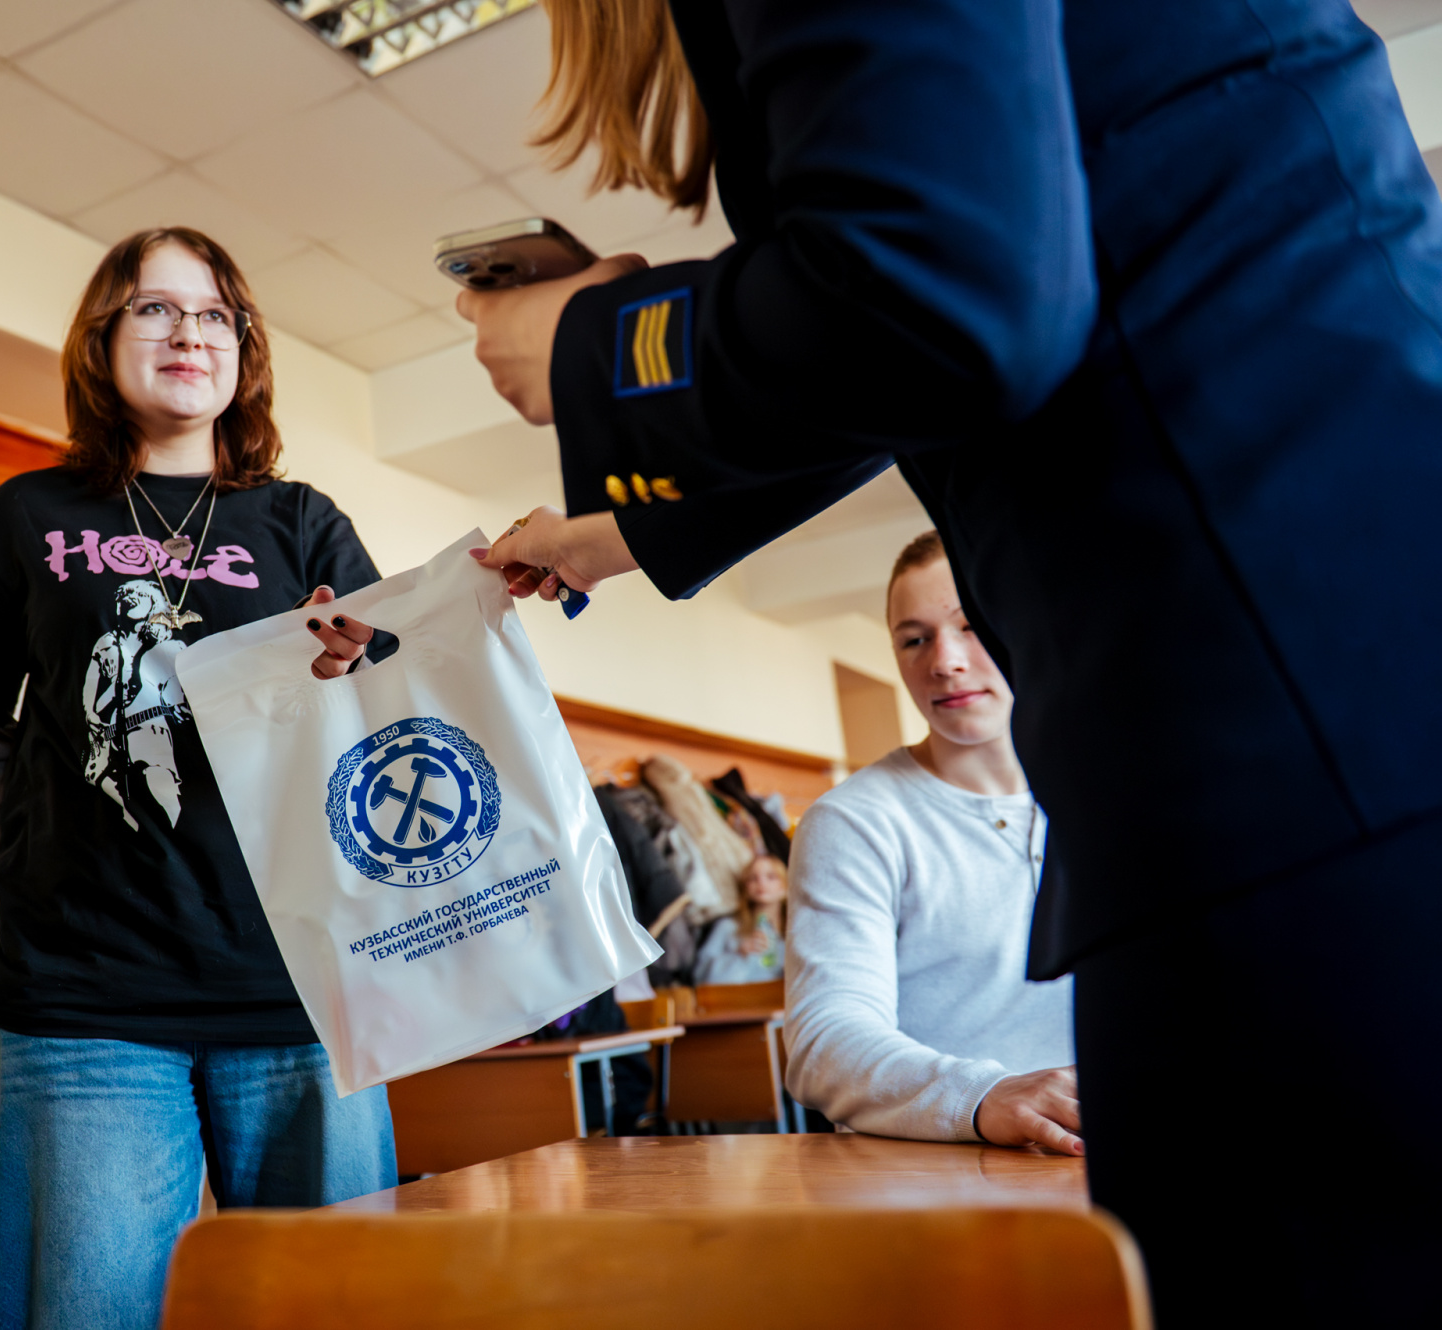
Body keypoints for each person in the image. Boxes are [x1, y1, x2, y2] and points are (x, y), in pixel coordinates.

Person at [458, 2, 1442, 1320]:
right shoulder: (867, 819)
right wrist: (617, 532)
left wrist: (597, 342)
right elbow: (945, 307)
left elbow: (941, 284)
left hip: (1282, 703)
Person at [0, 226, 396, 1329]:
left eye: (215, 313)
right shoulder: (26, 516)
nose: (189, 331)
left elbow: (389, 705)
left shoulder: (301, 520)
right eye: (155, 307)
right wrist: (10, 864)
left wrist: (354, 666)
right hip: (88, 997)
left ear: (243, 349)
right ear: (102, 338)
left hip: (297, 983)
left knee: (335, 1309)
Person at [783, 533, 1075, 1149]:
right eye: (914, 639)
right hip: (935, 1166)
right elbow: (824, 1041)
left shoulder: (1113, 788)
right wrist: (984, 1096)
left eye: (971, 626)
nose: (944, 661)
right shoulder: (852, 820)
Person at [691, 853, 786, 987]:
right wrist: (739, 954)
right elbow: (700, 976)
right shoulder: (728, 927)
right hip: (735, 997)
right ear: (745, 887)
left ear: (786, 886)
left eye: (771, 877)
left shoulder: (793, 934)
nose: (761, 883)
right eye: (753, 878)